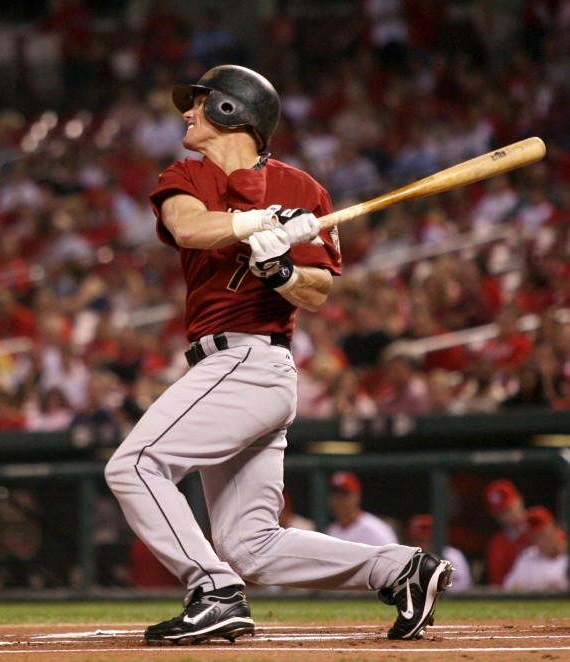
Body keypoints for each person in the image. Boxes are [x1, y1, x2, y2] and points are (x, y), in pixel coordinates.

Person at [105, 64, 453, 647]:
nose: (187, 113)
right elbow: (187, 227)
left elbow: (316, 291)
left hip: (252, 362)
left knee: (133, 466)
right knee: (250, 547)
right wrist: (255, 222)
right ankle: (400, 570)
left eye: (199, 102)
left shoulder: (304, 189)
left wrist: (280, 269)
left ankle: (212, 591)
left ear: (230, 110)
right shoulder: (186, 175)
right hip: (229, 370)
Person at [503, 506, 568, 592]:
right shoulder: (528, 557)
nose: (539, 543)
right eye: (534, 539)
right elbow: (509, 587)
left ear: (553, 529)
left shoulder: (566, 556)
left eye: (541, 535)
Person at [325, 471, 399, 546]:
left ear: (357, 497)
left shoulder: (377, 531)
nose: (338, 500)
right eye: (335, 494)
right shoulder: (331, 531)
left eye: (344, 494)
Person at [406, 514, 473, 592]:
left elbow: (466, 587)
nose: (419, 545)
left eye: (424, 540)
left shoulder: (452, 556)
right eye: (416, 540)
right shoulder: (405, 559)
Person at [483, 479, 530, 586]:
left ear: (519, 500)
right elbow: (497, 583)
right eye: (499, 514)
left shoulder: (540, 527)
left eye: (507, 509)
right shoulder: (496, 544)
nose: (504, 517)